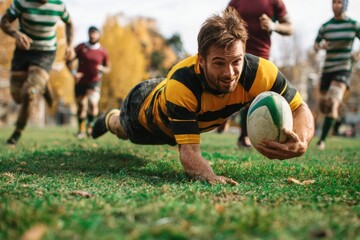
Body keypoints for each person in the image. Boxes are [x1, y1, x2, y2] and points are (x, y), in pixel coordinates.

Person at [91, 7, 314, 185]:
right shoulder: (183, 85)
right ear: (201, 60)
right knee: (122, 129)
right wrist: (209, 176)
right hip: (146, 111)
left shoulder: (261, 73)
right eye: (219, 63)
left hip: (180, 105)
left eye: (236, 61)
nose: (230, 73)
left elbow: (300, 108)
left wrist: (302, 141)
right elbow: (188, 152)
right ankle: (109, 117)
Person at [220, 0, 293, 148]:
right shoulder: (236, 1)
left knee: (253, 94)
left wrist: (273, 26)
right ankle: (223, 115)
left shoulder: (274, 2)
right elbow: (221, 24)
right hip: (237, 53)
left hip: (261, 55)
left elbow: (289, 27)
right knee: (229, 88)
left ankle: (244, 136)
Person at [0, 0, 74, 145]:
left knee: (29, 93)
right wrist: (16, 34)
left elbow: (69, 23)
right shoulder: (22, 2)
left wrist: (70, 45)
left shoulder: (58, 5)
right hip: (23, 50)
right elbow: (4, 21)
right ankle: (43, 83)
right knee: (17, 97)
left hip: (45, 52)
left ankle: (17, 132)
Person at [314, 0, 360, 150]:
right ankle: (331, 118)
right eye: (334, 2)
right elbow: (315, 45)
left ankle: (321, 140)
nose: (336, 5)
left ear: (345, 5)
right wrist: (320, 46)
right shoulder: (326, 26)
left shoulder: (353, 24)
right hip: (327, 69)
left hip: (343, 69)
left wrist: (357, 55)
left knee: (332, 102)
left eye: (339, 2)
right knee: (323, 105)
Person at [67, 26, 110, 139]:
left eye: (95, 33)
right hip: (80, 81)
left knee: (93, 103)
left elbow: (108, 68)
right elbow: (68, 60)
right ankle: (81, 131)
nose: (92, 35)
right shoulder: (81, 47)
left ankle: (90, 128)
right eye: (90, 33)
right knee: (81, 106)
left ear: (99, 35)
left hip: (94, 81)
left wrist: (102, 69)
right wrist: (73, 72)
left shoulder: (103, 51)